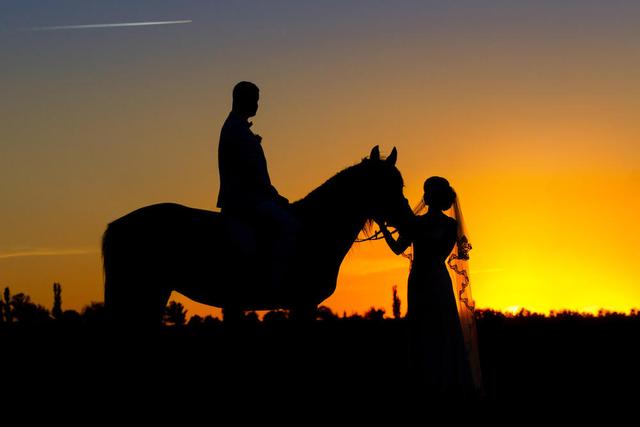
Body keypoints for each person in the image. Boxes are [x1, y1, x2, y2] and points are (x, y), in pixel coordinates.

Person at [377, 176, 482, 397]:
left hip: (421, 279)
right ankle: (442, 379)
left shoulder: (416, 223)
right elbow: (443, 250)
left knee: (424, 327)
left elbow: (397, 248)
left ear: (428, 197)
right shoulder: (450, 225)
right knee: (441, 327)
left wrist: (384, 228)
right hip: (437, 278)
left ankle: (427, 380)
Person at [217, 81, 299, 288]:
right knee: (289, 226)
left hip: (248, 198)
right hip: (245, 201)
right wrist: (274, 196)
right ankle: (276, 280)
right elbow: (252, 174)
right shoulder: (237, 131)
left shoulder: (238, 128)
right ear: (241, 100)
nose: (257, 105)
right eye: (254, 100)